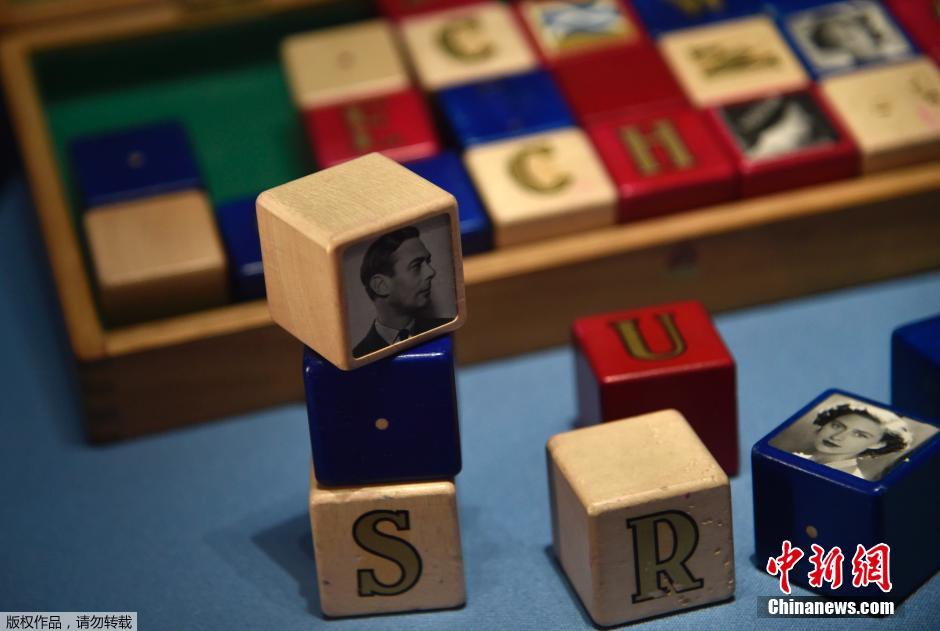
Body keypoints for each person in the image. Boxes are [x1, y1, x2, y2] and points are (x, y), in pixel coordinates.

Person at [353, 226, 451, 358]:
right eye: (416, 265)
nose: (431, 272)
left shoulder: (447, 331)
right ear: (380, 285)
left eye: (428, 262)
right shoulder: (359, 355)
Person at [793, 403, 913, 480]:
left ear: (878, 444)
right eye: (837, 426)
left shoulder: (846, 480)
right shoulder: (799, 458)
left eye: (859, 434)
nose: (837, 437)